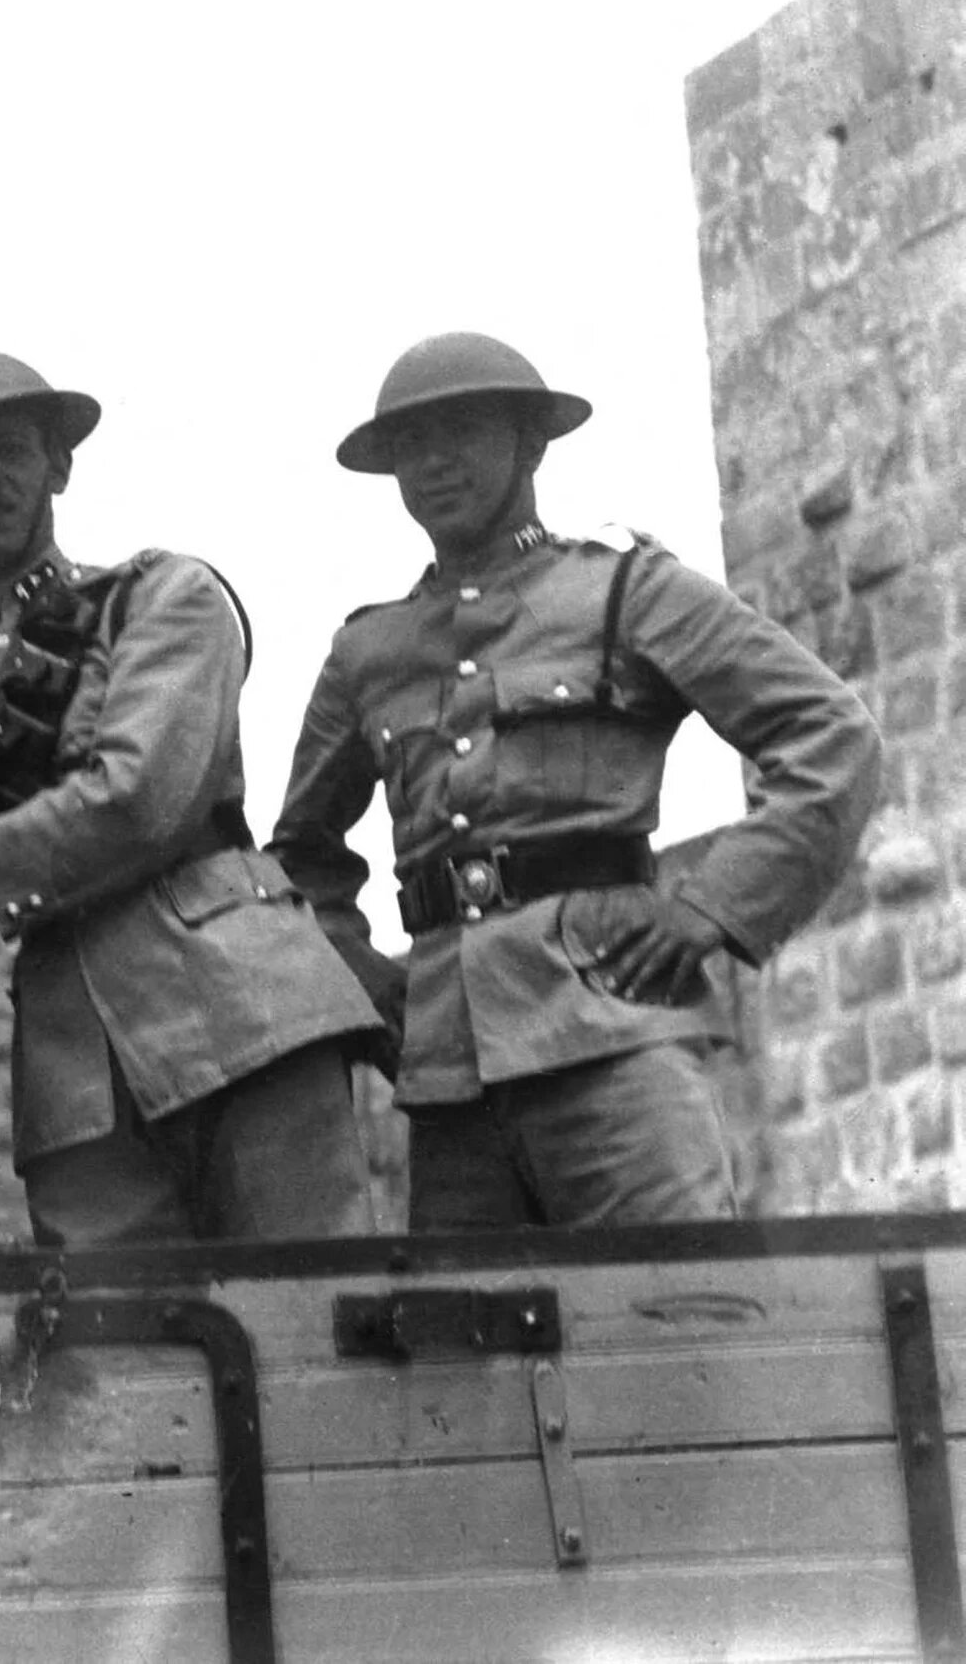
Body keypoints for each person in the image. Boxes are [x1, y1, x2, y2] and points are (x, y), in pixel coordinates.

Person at [268, 331, 883, 1230]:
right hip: (450, 1081)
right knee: (470, 1355)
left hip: (616, 1038)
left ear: (531, 442)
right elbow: (298, 861)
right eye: (410, 446)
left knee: (680, 1325)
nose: (435, 464)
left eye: (463, 432)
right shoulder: (369, 652)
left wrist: (710, 909)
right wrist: (371, 982)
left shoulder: (624, 591)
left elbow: (831, 735)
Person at [0, 349, 386, 1247]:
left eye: (8, 449)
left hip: (243, 1014)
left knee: (320, 1324)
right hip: (76, 1078)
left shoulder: (164, 598)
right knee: (116, 1367)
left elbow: (138, 798)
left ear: (59, 465)